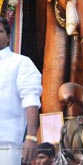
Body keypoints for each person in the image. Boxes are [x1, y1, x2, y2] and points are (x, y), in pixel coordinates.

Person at [0, 16, 42, 164]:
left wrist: (31, 136)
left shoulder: (20, 63)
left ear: (8, 36)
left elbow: (31, 100)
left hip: (6, 144)